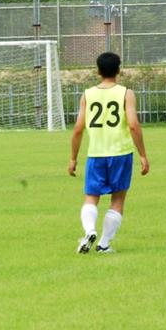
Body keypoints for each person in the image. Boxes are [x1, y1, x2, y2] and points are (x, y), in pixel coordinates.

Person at [68, 52, 149, 254]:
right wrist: (142, 155)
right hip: (120, 153)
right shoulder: (125, 93)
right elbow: (133, 125)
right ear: (119, 70)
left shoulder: (87, 94)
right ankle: (103, 244)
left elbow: (78, 128)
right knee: (118, 199)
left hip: (96, 154)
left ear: (97, 71)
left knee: (91, 197)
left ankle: (89, 230)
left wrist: (72, 158)